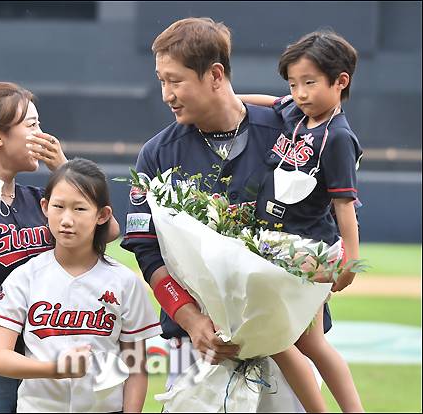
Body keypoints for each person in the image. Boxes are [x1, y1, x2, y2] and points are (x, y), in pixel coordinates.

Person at [120, 17, 320, 412]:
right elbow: (147, 252)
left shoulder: (292, 134)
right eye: (161, 81)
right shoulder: (156, 154)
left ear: (215, 75)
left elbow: (325, 226)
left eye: (175, 81)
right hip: (198, 346)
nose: (166, 94)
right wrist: (193, 321)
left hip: (287, 342)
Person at [0, 82, 120, 412]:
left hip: (42, 357)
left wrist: (65, 170)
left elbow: (107, 230)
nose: (42, 135)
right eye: (32, 125)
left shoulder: (36, 200)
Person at [240, 31, 364, 412]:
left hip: (308, 248)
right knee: (306, 342)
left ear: (340, 81)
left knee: (285, 338)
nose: (300, 93)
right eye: (293, 84)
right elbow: (269, 102)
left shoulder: (337, 138)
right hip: (277, 243)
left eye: (309, 83)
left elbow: (344, 205)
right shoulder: (296, 112)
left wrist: (350, 262)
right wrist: (227, 100)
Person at [0, 158, 162, 412]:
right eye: (58, 206)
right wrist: (56, 369)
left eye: (79, 209)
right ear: (45, 207)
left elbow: (135, 368)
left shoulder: (124, 282)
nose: (67, 219)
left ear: (102, 215)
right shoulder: (25, 277)